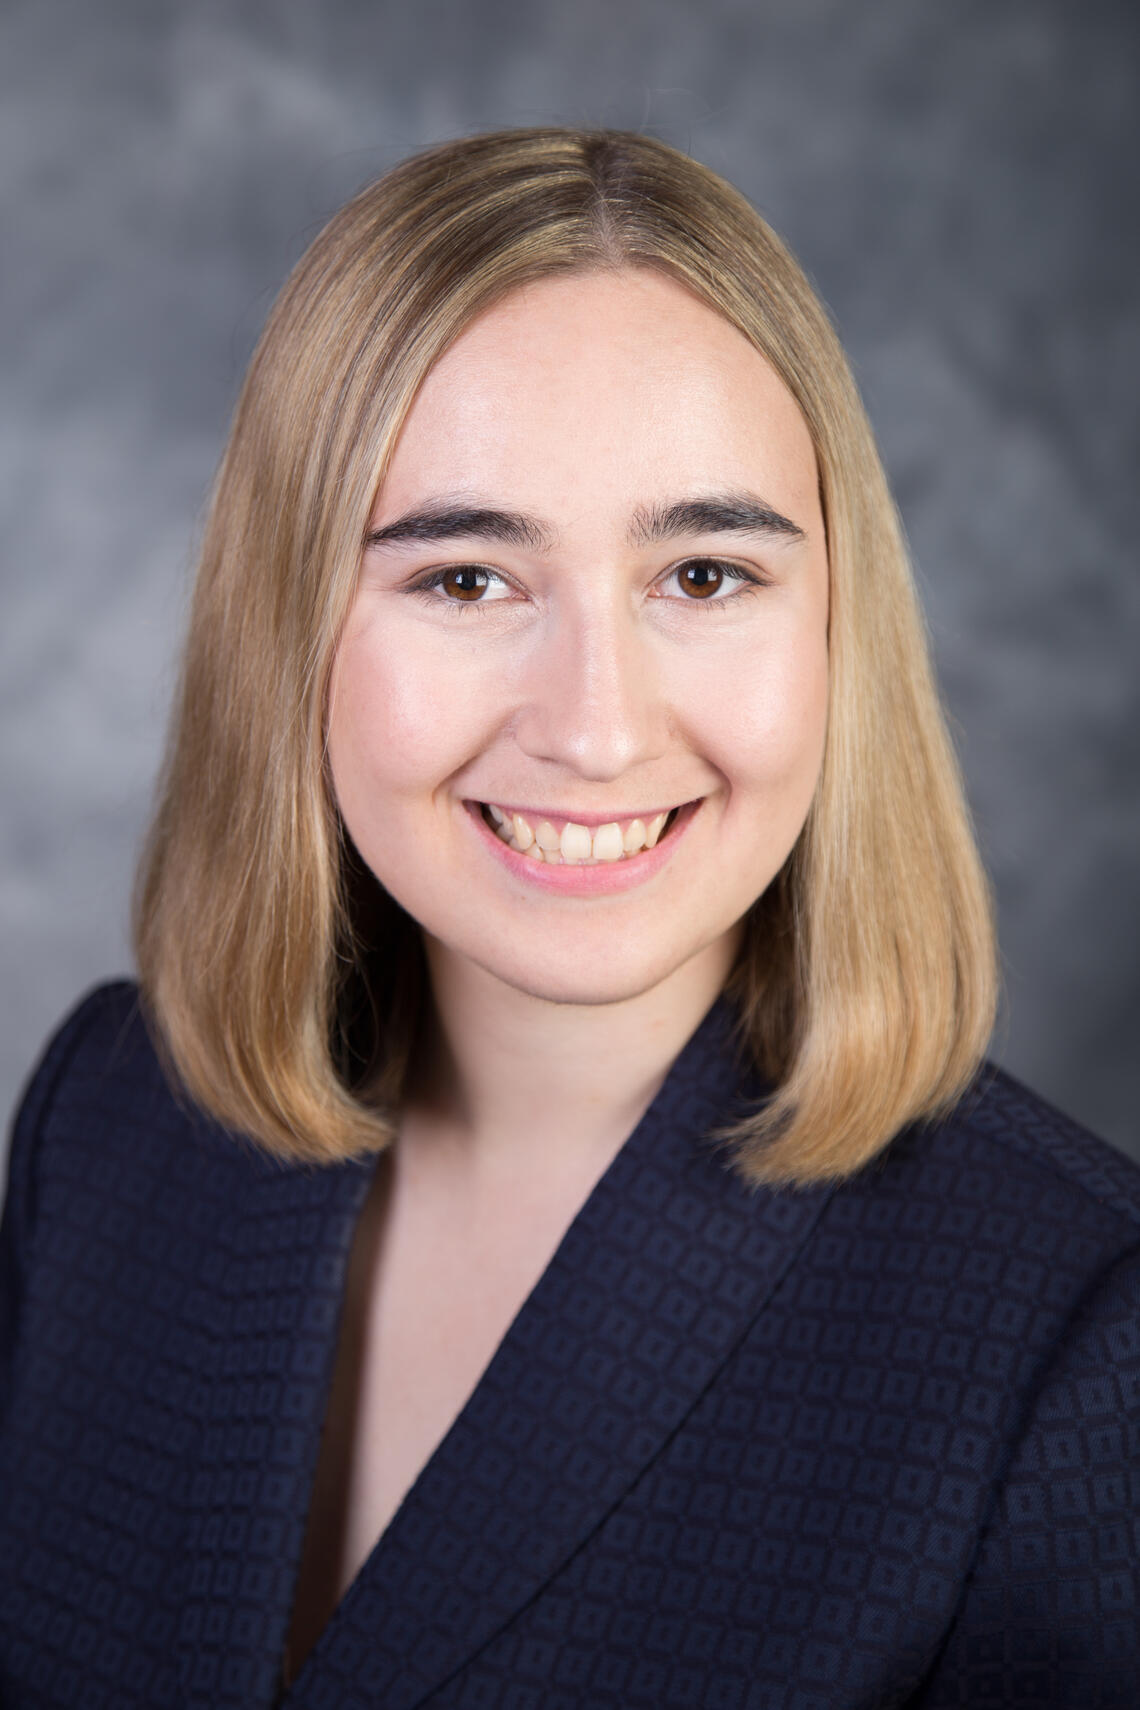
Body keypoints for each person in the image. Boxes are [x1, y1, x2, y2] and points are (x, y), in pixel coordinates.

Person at [1, 127, 1137, 1710]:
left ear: (837, 630)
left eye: (706, 574)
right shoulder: (107, 1120)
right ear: (288, 634)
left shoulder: (1082, 1336)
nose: (597, 729)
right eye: (467, 580)